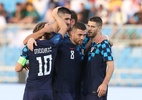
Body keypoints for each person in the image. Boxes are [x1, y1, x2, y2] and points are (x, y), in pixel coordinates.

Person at [15, 7, 68, 100]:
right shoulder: (53, 43)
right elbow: (64, 28)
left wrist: (26, 64)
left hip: (32, 89)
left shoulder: (28, 48)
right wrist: (55, 15)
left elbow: (18, 68)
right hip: (47, 90)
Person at [81, 16, 114, 100]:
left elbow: (111, 66)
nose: (89, 29)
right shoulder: (88, 40)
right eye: (88, 26)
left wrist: (104, 84)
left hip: (97, 88)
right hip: (85, 87)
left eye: (93, 27)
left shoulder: (103, 44)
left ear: (99, 28)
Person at [53, 22, 87, 100]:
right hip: (62, 90)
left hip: (77, 90)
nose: (82, 38)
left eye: (84, 35)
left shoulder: (81, 46)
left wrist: (106, 38)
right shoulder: (62, 43)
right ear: (71, 33)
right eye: (80, 35)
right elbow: (47, 44)